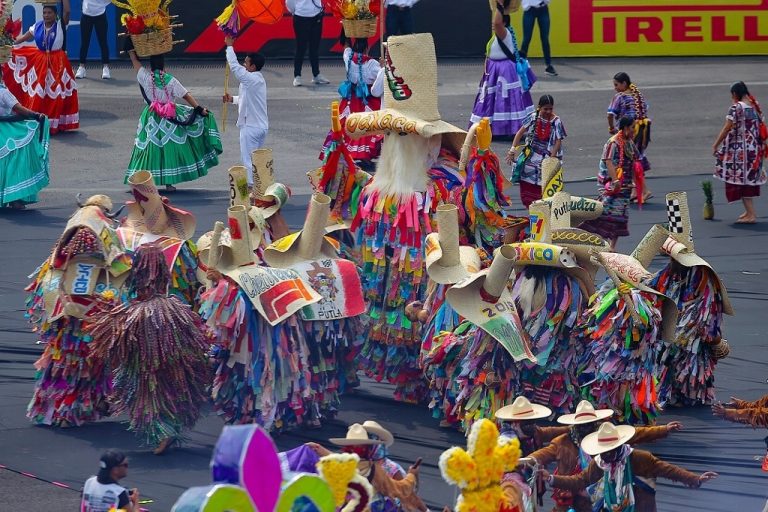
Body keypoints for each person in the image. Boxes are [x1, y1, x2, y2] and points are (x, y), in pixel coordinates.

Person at [88, 244, 210, 454]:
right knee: (170, 387)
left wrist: (108, 311)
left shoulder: (134, 309)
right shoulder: (176, 305)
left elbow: (116, 335)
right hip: (171, 335)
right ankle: (169, 427)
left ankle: (163, 432)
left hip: (144, 342)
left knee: (146, 392)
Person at [528, 400, 681, 512]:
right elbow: (541, 454)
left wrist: (663, 429)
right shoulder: (562, 442)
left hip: (603, 495)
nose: (585, 427)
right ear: (575, 425)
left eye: (589, 423)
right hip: (571, 496)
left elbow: (636, 433)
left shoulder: (605, 437)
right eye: (581, 425)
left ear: (595, 422)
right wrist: (523, 461)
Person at [542, 422, 718, 512]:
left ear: (619, 446)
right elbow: (579, 480)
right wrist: (550, 478)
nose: (605, 455)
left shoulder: (640, 459)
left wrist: (696, 479)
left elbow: (668, 469)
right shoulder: (600, 463)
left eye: (609, 451)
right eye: (602, 451)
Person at [124, 46, 222, 191]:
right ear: (163, 64)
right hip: (170, 117)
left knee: (149, 148)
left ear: (150, 65)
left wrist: (131, 49)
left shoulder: (144, 76)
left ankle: (142, 181)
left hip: (151, 117)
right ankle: (169, 184)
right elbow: (186, 95)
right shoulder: (171, 80)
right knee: (169, 148)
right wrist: (199, 109)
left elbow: (134, 60)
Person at [308, 423, 428, 512]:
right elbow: (400, 489)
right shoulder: (374, 470)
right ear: (369, 449)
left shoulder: (338, 466)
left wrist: (319, 449)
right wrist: (412, 475)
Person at [5, 4, 79, 134]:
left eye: (49, 13)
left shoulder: (61, 25)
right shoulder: (37, 26)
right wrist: (7, 44)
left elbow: (67, 11)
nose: (46, 15)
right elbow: (23, 38)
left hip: (58, 63)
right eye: (44, 13)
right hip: (40, 62)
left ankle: (55, 123)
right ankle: (39, 120)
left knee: (56, 94)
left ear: (55, 14)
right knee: (40, 93)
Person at [469, 0, 535, 138]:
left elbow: (498, 22)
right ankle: (496, 128)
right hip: (495, 71)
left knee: (504, 100)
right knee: (496, 101)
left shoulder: (504, 33)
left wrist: (500, 6)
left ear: (504, 22)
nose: (494, 23)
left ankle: (507, 129)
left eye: (497, 21)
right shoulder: (502, 34)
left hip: (503, 72)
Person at [319, 34, 383, 169]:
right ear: (367, 47)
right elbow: (379, 80)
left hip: (350, 99)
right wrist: (383, 67)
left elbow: (346, 46)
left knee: (347, 125)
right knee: (368, 126)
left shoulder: (348, 57)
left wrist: (345, 31)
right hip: (367, 100)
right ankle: (364, 156)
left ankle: (348, 154)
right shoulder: (372, 64)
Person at [712, 81, 766, 224]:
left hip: (741, 153)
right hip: (754, 151)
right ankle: (749, 212)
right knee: (746, 181)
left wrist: (716, 145)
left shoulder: (736, 108)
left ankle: (752, 215)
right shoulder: (755, 106)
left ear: (735, 94)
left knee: (742, 182)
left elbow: (727, 128)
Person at [581, 116, 637, 251]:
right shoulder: (613, 143)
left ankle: (612, 246)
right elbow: (608, 162)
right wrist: (615, 181)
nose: (634, 130)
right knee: (604, 212)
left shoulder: (629, 143)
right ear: (625, 128)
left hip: (625, 185)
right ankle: (593, 240)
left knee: (620, 215)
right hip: (609, 183)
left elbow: (634, 162)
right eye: (632, 127)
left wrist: (634, 182)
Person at [223, 35, 268, 188]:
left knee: (248, 161)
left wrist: (229, 46)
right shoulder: (257, 80)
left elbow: (234, 67)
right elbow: (246, 100)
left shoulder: (251, 79)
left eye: (246, 62)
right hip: (261, 127)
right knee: (256, 161)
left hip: (251, 128)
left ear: (253, 66)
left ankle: (251, 190)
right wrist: (232, 100)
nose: (244, 64)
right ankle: (260, 188)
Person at [506, 94, 565, 207]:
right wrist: (512, 151)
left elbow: (558, 141)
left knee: (544, 180)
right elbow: (520, 133)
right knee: (524, 168)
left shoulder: (556, 121)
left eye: (550, 108)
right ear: (539, 107)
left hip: (547, 155)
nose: (548, 111)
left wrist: (551, 159)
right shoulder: (533, 117)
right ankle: (531, 208)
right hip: (531, 154)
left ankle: (542, 209)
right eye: (545, 109)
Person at [0, 80, 49, 210]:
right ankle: (16, 199)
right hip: (6, 132)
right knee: (15, 164)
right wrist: (36, 115)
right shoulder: (4, 93)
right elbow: (18, 109)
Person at [607, 72, 653, 202]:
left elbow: (610, 114)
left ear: (624, 84)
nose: (615, 88)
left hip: (629, 133)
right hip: (642, 132)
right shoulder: (638, 96)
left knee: (630, 162)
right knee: (634, 160)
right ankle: (635, 190)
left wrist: (611, 128)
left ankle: (644, 190)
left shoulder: (620, 97)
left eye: (616, 85)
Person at [288, 0, 330, 87]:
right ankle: (297, 76)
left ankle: (316, 75)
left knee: (314, 47)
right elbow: (289, 2)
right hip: (301, 16)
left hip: (317, 15)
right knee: (301, 47)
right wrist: (297, 10)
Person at [76, 0, 112, 80]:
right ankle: (82, 67)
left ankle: (105, 68)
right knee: (84, 42)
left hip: (100, 15)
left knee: (103, 42)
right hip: (86, 15)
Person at [520, 0, 556, 76]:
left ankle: (548, 65)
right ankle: (521, 66)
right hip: (530, 10)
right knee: (526, 38)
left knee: (545, 39)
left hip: (543, 8)